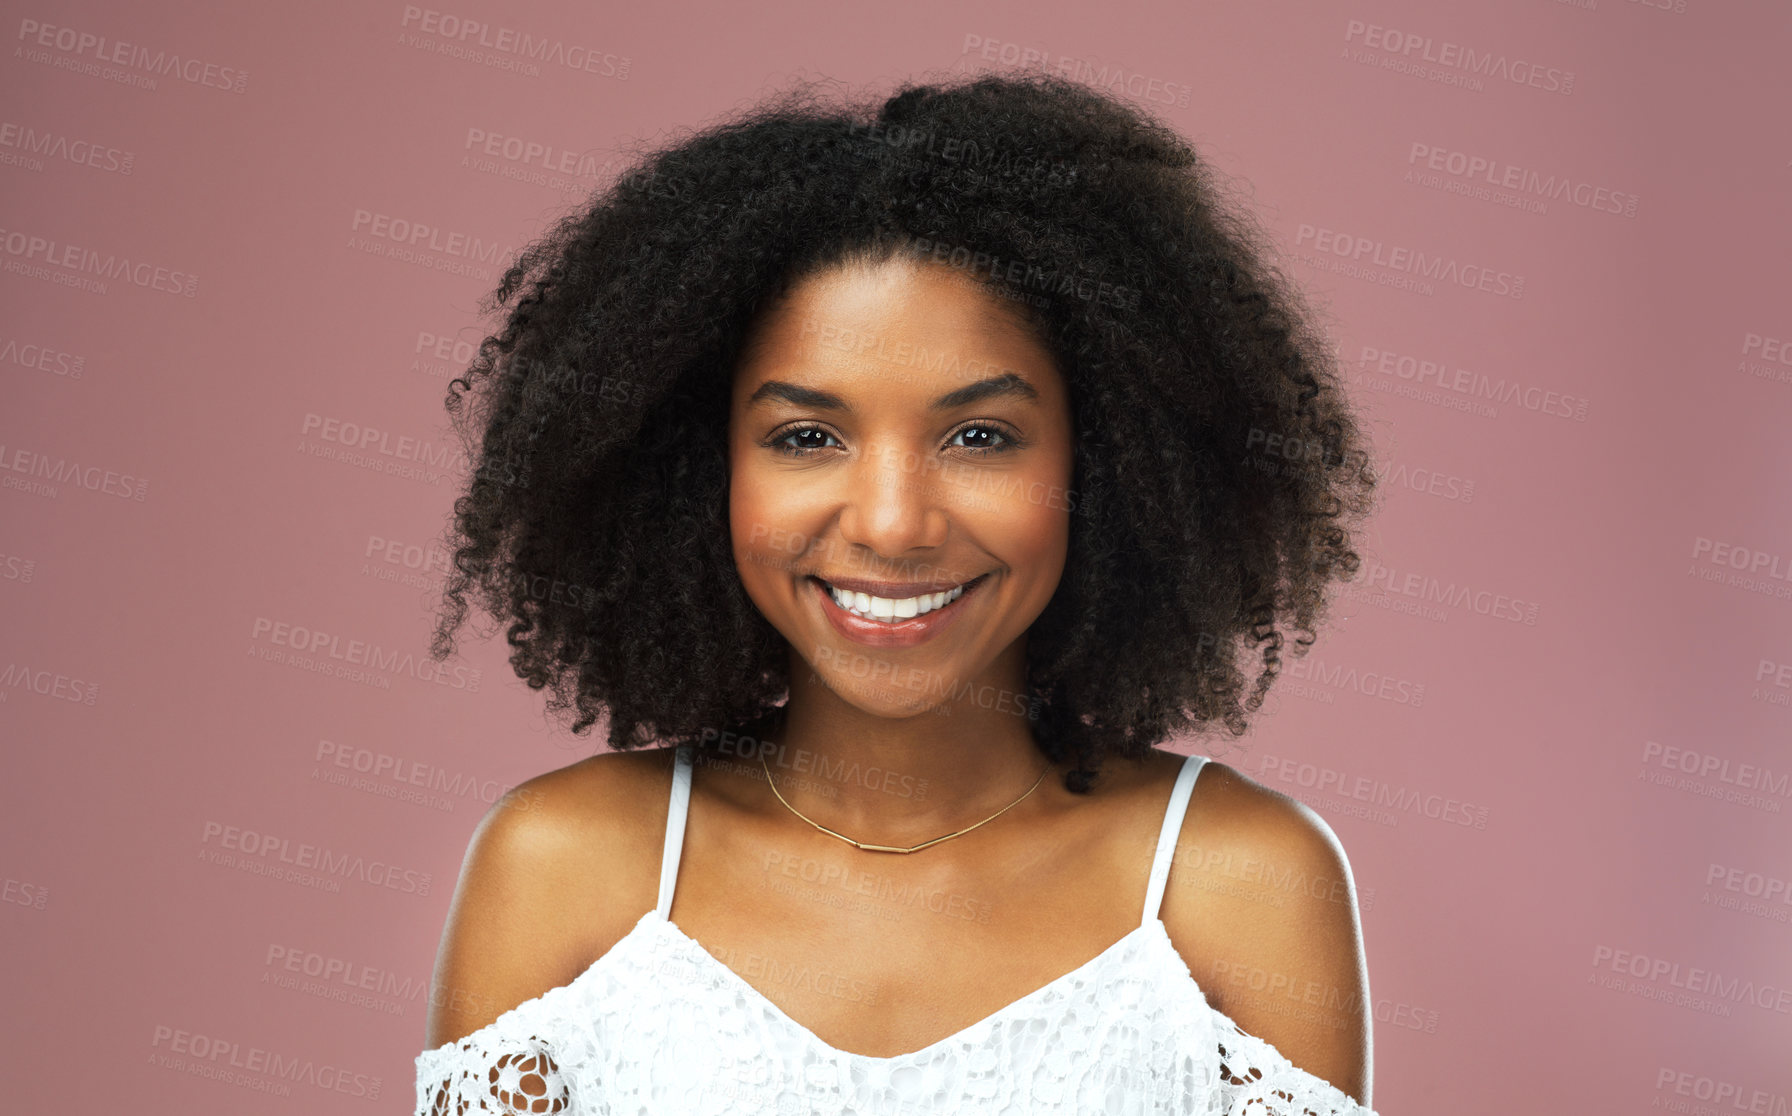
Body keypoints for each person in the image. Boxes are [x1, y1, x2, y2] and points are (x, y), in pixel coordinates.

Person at [414, 68, 1382, 1115]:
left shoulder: (1239, 885)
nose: (890, 522)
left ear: (1102, 464)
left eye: (978, 436)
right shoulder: (562, 869)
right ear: (697, 469)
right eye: (806, 437)